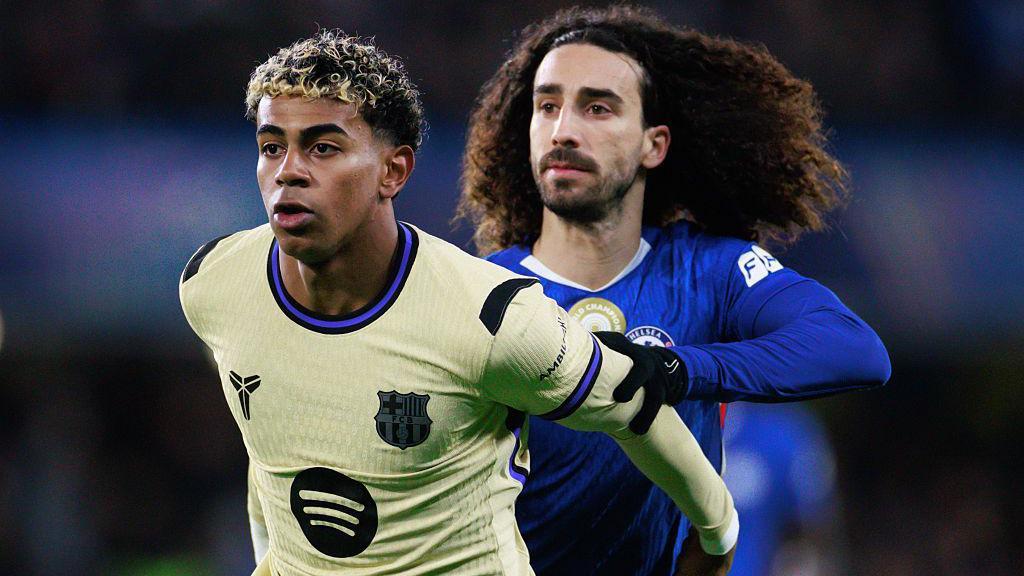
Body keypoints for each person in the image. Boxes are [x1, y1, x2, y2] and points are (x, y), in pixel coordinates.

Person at [179, 30, 738, 575]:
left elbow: (634, 403)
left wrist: (718, 532)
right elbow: (269, 440)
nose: (288, 172)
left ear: (393, 172)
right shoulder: (214, 282)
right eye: (272, 147)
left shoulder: (492, 319)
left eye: (323, 148)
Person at [458, 5, 891, 576]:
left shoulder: (710, 270)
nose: (563, 130)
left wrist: (679, 370)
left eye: (597, 107)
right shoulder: (479, 292)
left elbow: (855, 348)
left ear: (653, 145)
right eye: (548, 106)